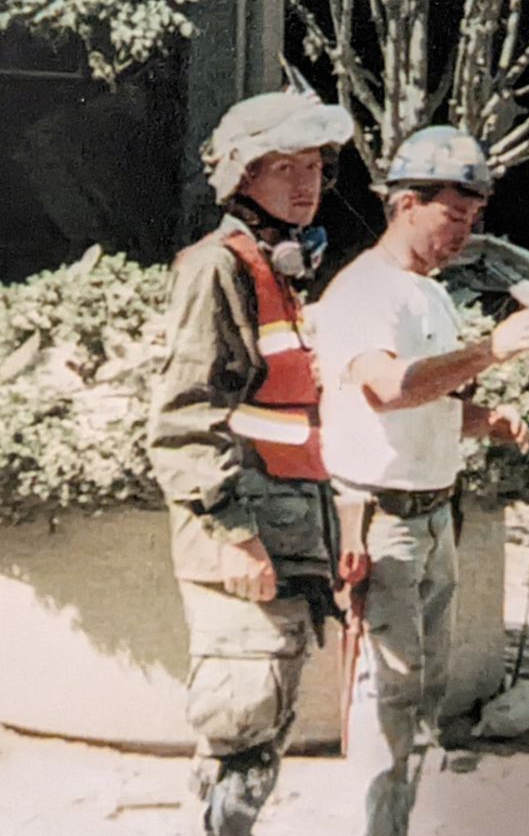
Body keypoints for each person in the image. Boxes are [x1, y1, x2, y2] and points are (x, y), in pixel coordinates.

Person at [311, 126, 529, 836]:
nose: (464, 232)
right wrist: (490, 349)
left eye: (474, 217)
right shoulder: (365, 290)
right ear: (405, 205)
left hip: (433, 514)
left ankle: (401, 822)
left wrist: (487, 420)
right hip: (383, 522)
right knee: (386, 693)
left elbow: (425, 409)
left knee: (422, 692)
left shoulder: (426, 294)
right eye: (454, 215)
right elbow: (388, 389)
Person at [146, 89, 356, 836]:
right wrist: (234, 535)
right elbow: (183, 420)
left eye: (313, 168)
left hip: (288, 536)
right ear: (242, 177)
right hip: (247, 545)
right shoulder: (218, 268)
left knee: (262, 738)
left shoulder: (279, 269)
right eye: (283, 168)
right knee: (241, 737)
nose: (305, 184)